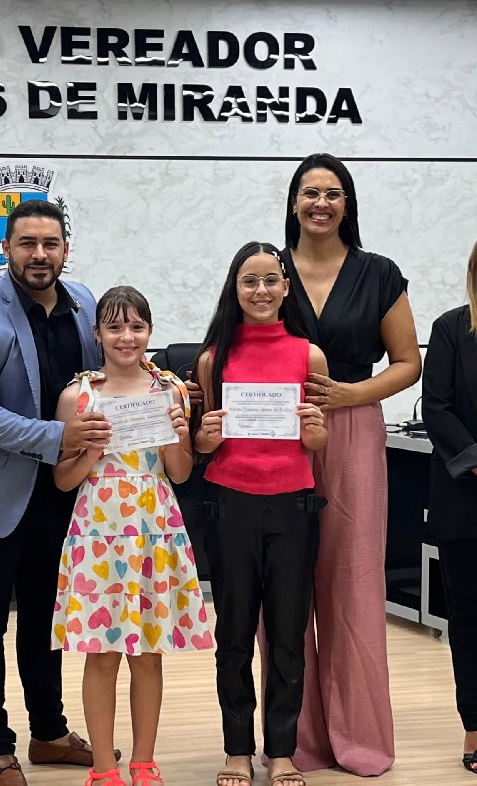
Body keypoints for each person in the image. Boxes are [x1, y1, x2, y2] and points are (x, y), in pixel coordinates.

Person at [0, 200, 120, 786]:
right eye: (27, 243)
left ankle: (50, 733)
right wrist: (59, 437)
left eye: (50, 243)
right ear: (7, 249)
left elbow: (108, 379)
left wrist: (161, 391)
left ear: (65, 249)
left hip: (62, 492)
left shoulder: (84, 302)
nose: (40, 254)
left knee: (46, 620)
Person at [258, 153, 421, 777]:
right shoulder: (269, 270)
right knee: (284, 587)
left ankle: (359, 739)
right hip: (277, 435)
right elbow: (237, 343)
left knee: (353, 586)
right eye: (310, 192)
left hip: (353, 431)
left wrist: (353, 395)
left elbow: (408, 363)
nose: (320, 203)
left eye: (332, 193)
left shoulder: (379, 273)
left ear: (347, 204)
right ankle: (292, 741)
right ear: (293, 201)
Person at [51, 286, 212, 786]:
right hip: (98, 529)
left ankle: (144, 761)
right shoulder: (78, 396)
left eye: (136, 326)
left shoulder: (170, 391)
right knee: (100, 653)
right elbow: (62, 480)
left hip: (153, 526)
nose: (126, 337)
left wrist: (179, 435)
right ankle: (103, 767)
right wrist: (90, 451)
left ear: (150, 331)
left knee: (147, 653)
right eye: (115, 327)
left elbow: (179, 473)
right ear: (97, 333)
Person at [191, 241, 328, 786]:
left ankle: (283, 752)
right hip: (230, 502)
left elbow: (317, 438)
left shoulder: (309, 355)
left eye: (271, 280)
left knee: (289, 632)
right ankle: (237, 751)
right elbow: (203, 444)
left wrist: (316, 433)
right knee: (234, 632)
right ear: (235, 288)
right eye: (250, 281)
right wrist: (205, 438)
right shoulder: (212, 359)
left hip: (295, 503)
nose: (262, 290)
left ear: (286, 288)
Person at [422, 241, 477, 776]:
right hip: (466, 503)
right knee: (470, 618)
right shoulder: (451, 328)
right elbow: (436, 408)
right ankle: (475, 727)